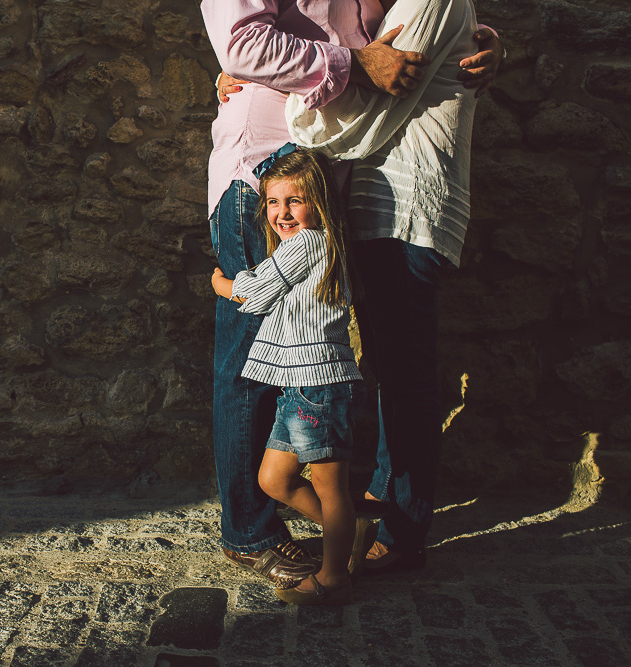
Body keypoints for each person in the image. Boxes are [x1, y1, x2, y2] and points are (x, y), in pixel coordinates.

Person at [199, 0, 502, 585]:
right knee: (249, 359)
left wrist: (481, 41)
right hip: (263, 173)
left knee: (300, 352)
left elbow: (417, 27)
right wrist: (355, 64)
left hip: (329, 174)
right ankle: (250, 530)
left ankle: (331, 520)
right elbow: (242, 46)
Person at [211, 146, 366, 604]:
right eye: (273, 202)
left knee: (330, 487)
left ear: (318, 203)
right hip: (296, 389)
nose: (281, 213)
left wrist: (220, 284)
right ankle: (349, 531)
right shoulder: (307, 247)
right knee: (273, 481)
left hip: (317, 387)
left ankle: (334, 578)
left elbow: (256, 293)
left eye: (293, 201)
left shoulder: (308, 244)